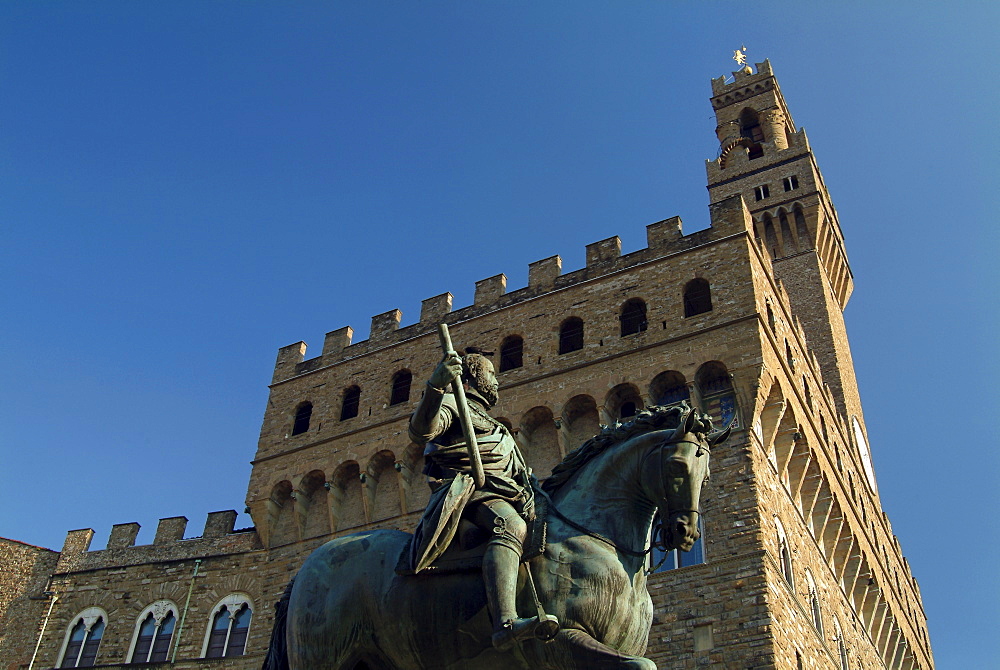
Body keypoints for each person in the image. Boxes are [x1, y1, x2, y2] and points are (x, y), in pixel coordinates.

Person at [408, 348, 555, 650]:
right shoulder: (453, 403)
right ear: (473, 376)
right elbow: (422, 431)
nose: (497, 381)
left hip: (506, 493)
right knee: (510, 525)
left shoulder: (498, 427)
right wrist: (436, 387)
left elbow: (521, 475)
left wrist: (531, 494)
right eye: (491, 373)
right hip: (471, 493)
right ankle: (506, 622)